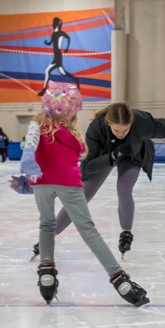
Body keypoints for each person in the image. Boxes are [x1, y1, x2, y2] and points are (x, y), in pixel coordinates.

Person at [22, 82, 149, 306]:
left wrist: (27, 173)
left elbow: (30, 146)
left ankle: (47, 272)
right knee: (88, 231)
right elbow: (80, 151)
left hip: (41, 181)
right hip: (69, 182)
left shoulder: (37, 125)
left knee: (46, 225)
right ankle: (119, 279)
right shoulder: (72, 133)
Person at [31, 103, 165, 260]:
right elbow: (87, 167)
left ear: (132, 124)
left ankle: (126, 233)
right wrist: (113, 155)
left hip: (133, 154)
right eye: (116, 131)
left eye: (125, 130)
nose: (121, 134)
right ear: (108, 124)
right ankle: (48, 238)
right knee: (81, 197)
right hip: (105, 156)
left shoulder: (143, 123)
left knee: (124, 189)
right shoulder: (96, 129)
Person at [37, 17, 77, 96]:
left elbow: (68, 38)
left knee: (47, 71)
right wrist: (46, 43)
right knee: (63, 72)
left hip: (58, 56)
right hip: (56, 55)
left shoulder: (61, 33)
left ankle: (44, 89)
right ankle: (76, 79)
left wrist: (66, 49)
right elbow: (50, 43)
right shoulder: (54, 33)